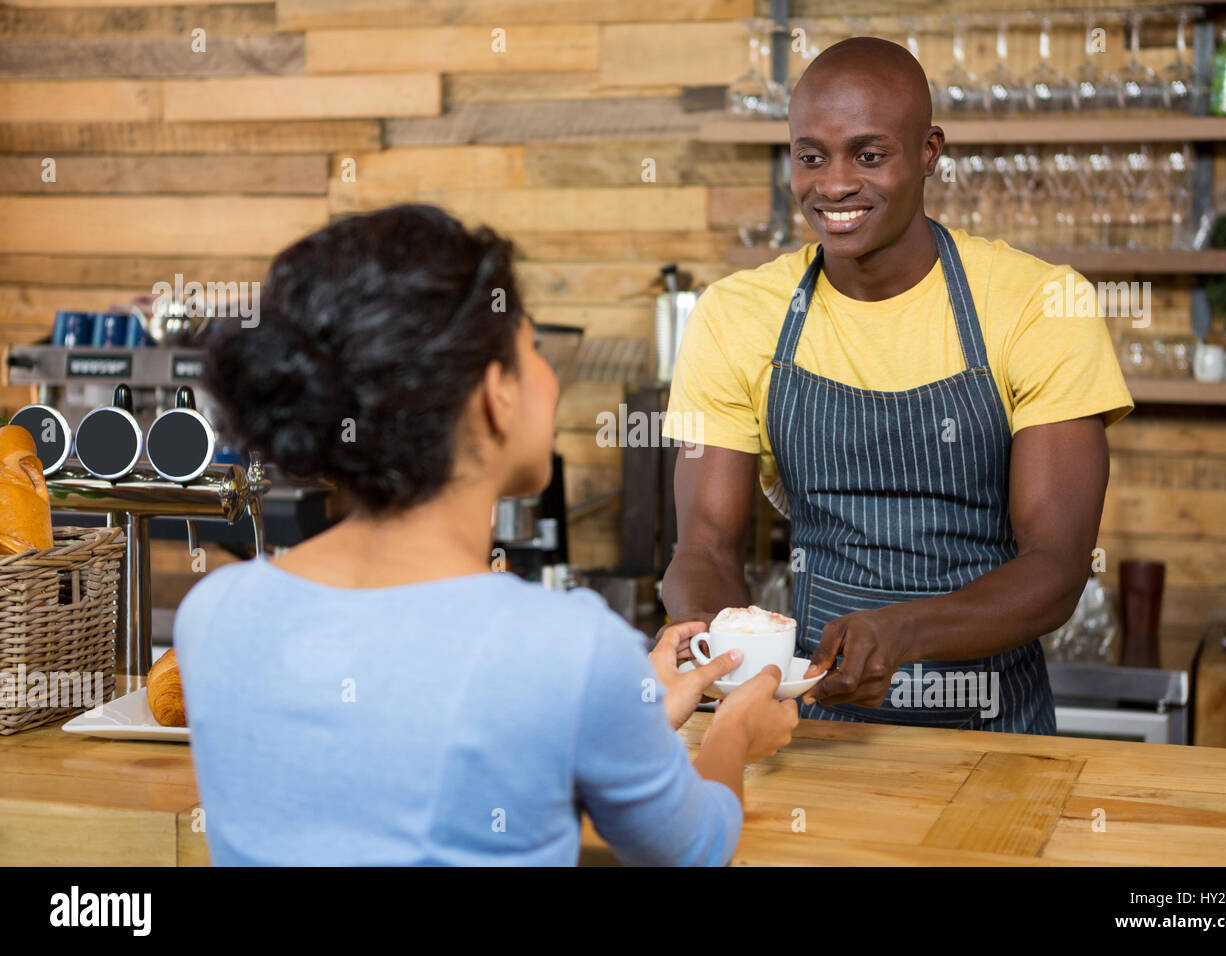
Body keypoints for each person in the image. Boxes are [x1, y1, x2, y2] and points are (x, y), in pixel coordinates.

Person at [174, 204, 798, 865]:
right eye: (531, 349)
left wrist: (625, 706)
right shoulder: (567, 646)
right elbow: (692, 849)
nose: (550, 379)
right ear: (495, 393)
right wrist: (733, 733)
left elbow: (406, 742)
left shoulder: (215, 614)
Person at [660, 38, 1133, 733]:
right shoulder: (736, 315)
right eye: (811, 156)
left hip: (996, 737)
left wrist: (901, 635)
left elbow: (1058, 568)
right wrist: (726, 650)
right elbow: (703, 544)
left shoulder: (1036, 304)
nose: (835, 184)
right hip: (813, 728)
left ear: (929, 151)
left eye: (869, 154)